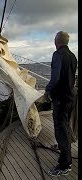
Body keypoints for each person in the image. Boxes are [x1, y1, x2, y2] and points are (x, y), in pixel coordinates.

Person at [44, 31, 77, 177]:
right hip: (70, 98)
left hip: (60, 100)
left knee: (60, 129)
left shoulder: (57, 55)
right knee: (65, 126)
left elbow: (55, 78)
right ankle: (66, 151)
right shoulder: (73, 57)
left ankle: (65, 164)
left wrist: (47, 91)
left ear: (56, 41)